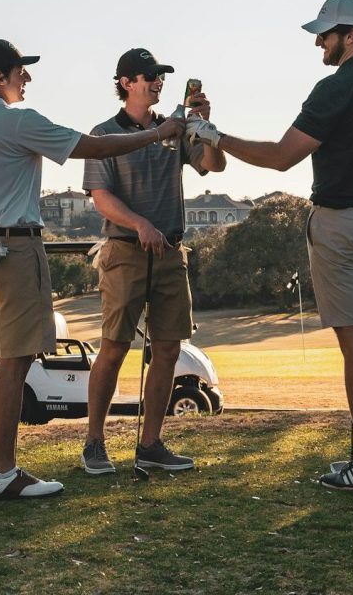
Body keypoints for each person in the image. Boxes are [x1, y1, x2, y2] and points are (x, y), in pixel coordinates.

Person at [187, 0, 353, 494]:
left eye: (325, 34)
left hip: (340, 224)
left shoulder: (337, 87)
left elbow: (283, 157)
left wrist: (214, 136)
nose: (318, 42)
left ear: (349, 35)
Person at [0, 39, 184, 500]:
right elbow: (92, 147)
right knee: (17, 361)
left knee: (6, 357)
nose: (26, 78)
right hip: (16, 249)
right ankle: (4, 471)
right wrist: (157, 133)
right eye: (19, 71)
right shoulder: (16, 121)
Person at [80, 48, 225, 475]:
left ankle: (151, 445)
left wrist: (207, 129)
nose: (157, 82)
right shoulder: (103, 133)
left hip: (170, 253)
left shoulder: (176, 129)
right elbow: (101, 198)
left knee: (167, 348)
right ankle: (94, 444)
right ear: (126, 82)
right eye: (149, 76)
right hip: (125, 251)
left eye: (160, 76)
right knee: (114, 347)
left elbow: (213, 166)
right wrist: (140, 223)